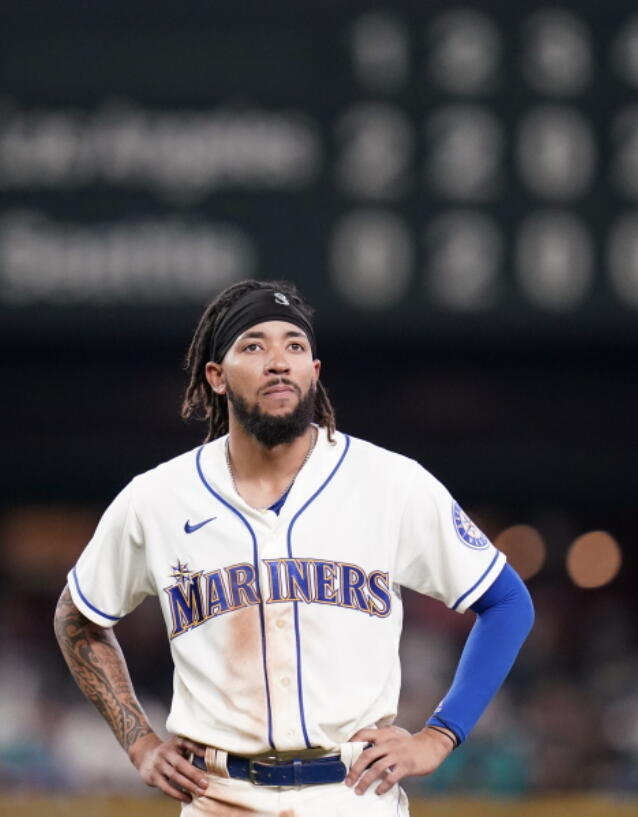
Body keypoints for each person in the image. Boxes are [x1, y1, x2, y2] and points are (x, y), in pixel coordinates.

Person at [54, 280, 533, 815]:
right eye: (254, 346)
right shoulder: (158, 498)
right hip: (219, 795)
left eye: (295, 346)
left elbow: (508, 602)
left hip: (352, 793)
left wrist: (440, 735)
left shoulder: (389, 482)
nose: (278, 361)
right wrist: (138, 741)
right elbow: (78, 616)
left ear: (314, 371)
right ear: (216, 376)